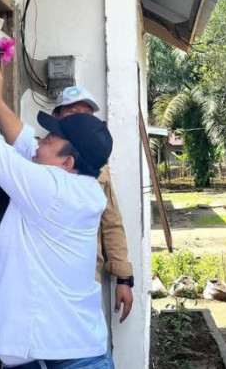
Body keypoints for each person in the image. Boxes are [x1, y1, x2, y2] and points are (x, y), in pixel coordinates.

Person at [0, 41, 114, 369]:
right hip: (71, 356)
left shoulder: (51, 190)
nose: (39, 143)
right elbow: (23, 142)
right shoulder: (76, 186)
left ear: (67, 162)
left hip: (57, 362)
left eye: (49, 140)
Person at [33, 86, 133, 322]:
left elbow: (111, 223)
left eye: (86, 115)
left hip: (86, 276)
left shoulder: (97, 168)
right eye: (73, 113)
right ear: (56, 116)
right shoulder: (37, 155)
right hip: (42, 276)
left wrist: (124, 278)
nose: (80, 120)